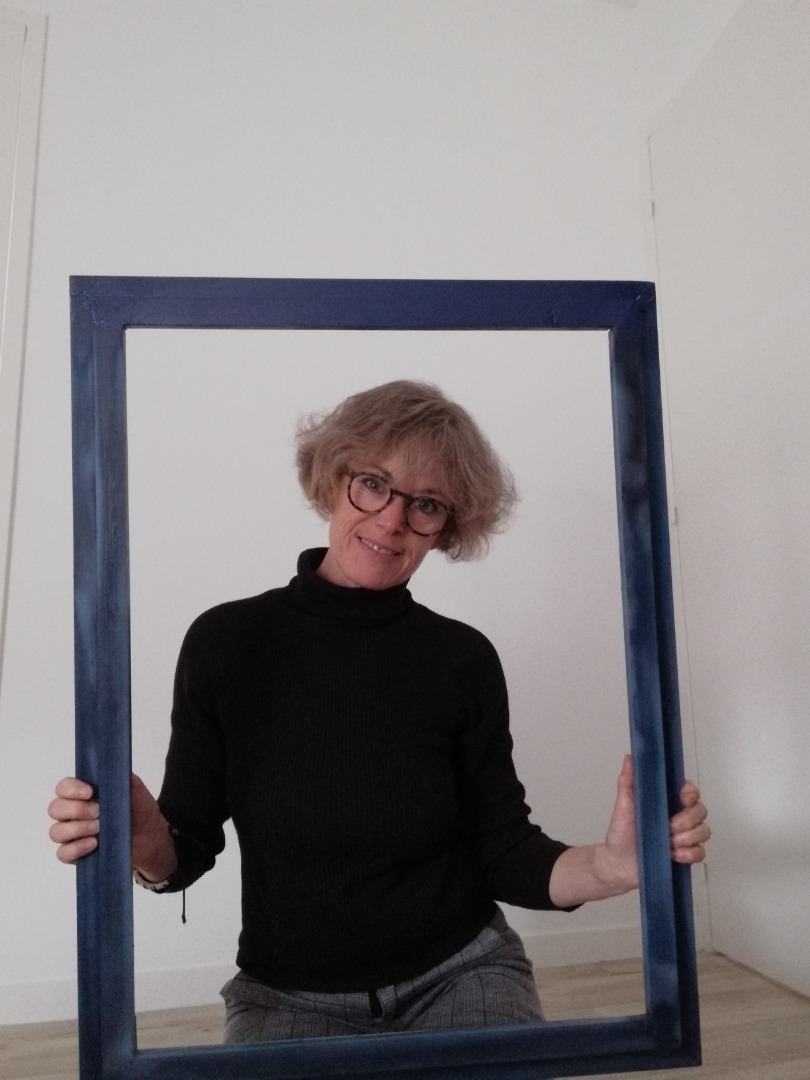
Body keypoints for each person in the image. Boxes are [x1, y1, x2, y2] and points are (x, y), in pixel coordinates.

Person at [49, 379, 709, 1042]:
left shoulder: (462, 660)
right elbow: (184, 849)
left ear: (445, 528)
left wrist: (613, 867)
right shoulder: (226, 644)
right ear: (332, 481)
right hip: (286, 993)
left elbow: (505, 850)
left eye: (426, 504)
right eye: (373, 484)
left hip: (460, 972)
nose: (392, 520)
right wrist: (144, 841)